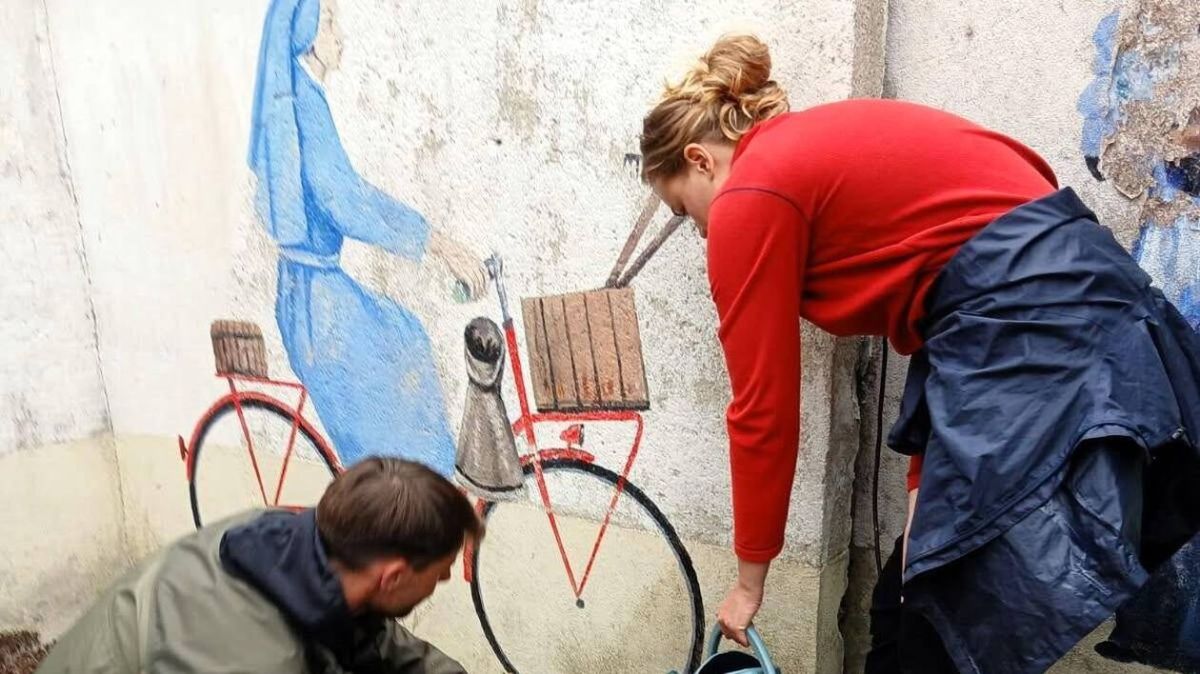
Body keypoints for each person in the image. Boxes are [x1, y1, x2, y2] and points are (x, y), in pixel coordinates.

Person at [639, 33, 1200, 674]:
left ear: (700, 160)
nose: (702, 231)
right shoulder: (816, 144)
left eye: (685, 209)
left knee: (930, 629)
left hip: (1033, 333)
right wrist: (922, 489)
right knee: (909, 598)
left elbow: (762, 410)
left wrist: (749, 581)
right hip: (1083, 314)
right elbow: (962, 292)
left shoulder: (751, 192)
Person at [248, 0, 487, 475]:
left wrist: (433, 241)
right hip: (318, 305)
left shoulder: (298, 98)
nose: (340, 35)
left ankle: (412, 492)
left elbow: (346, 194)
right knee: (403, 347)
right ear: (307, 32)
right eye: (329, 22)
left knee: (405, 337)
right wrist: (438, 243)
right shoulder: (302, 104)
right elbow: (346, 201)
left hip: (311, 294)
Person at [35, 458, 480, 674]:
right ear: (393, 576)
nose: (444, 578)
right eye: (441, 570)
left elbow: (367, 634)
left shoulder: (302, 544)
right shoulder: (256, 659)